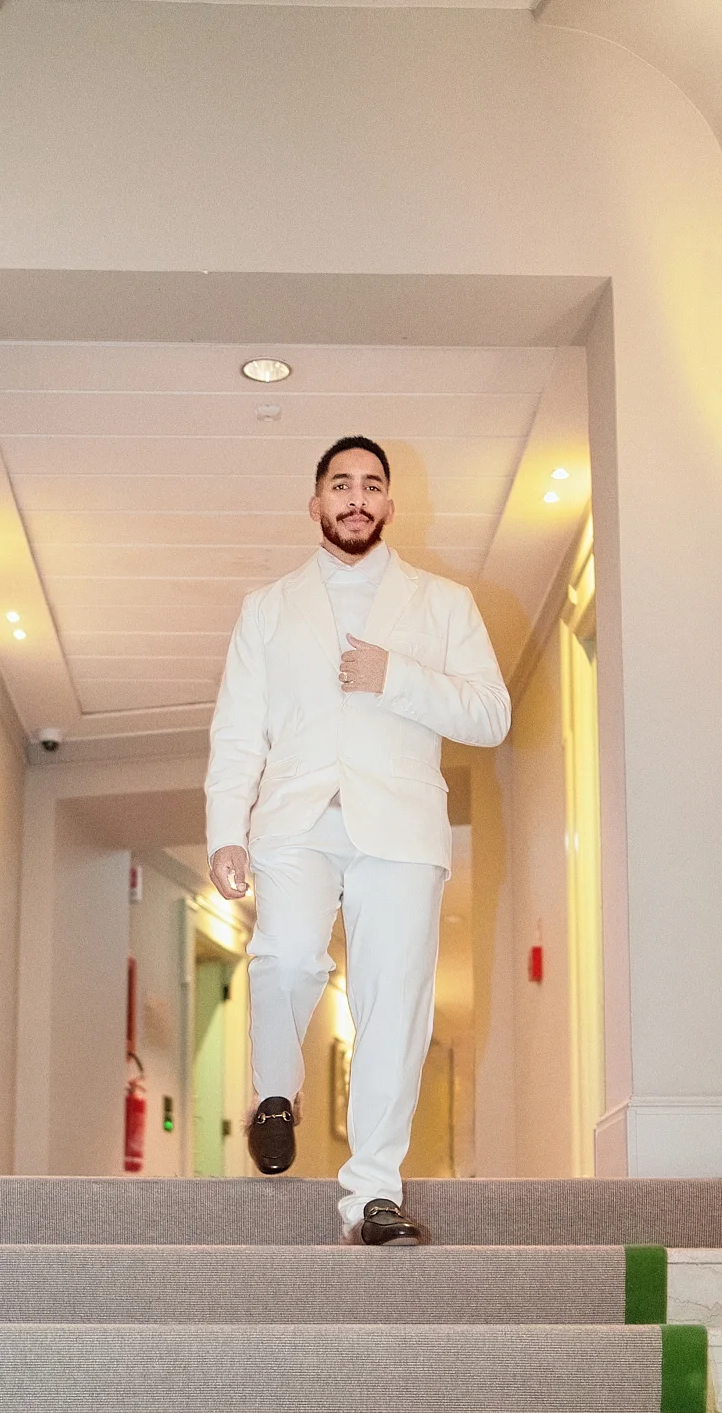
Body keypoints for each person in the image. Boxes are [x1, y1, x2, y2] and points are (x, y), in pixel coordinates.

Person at [205, 435, 510, 1245]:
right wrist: (224, 832)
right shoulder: (266, 608)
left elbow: (491, 713)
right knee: (285, 956)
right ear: (315, 504)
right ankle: (278, 1089)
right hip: (295, 817)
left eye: (372, 485)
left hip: (401, 827)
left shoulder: (443, 604)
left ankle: (372, 1193)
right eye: (341, 484)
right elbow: (238, 734)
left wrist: (396, 676)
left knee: (392, 1006)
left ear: (389, 504)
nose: (357, 497)